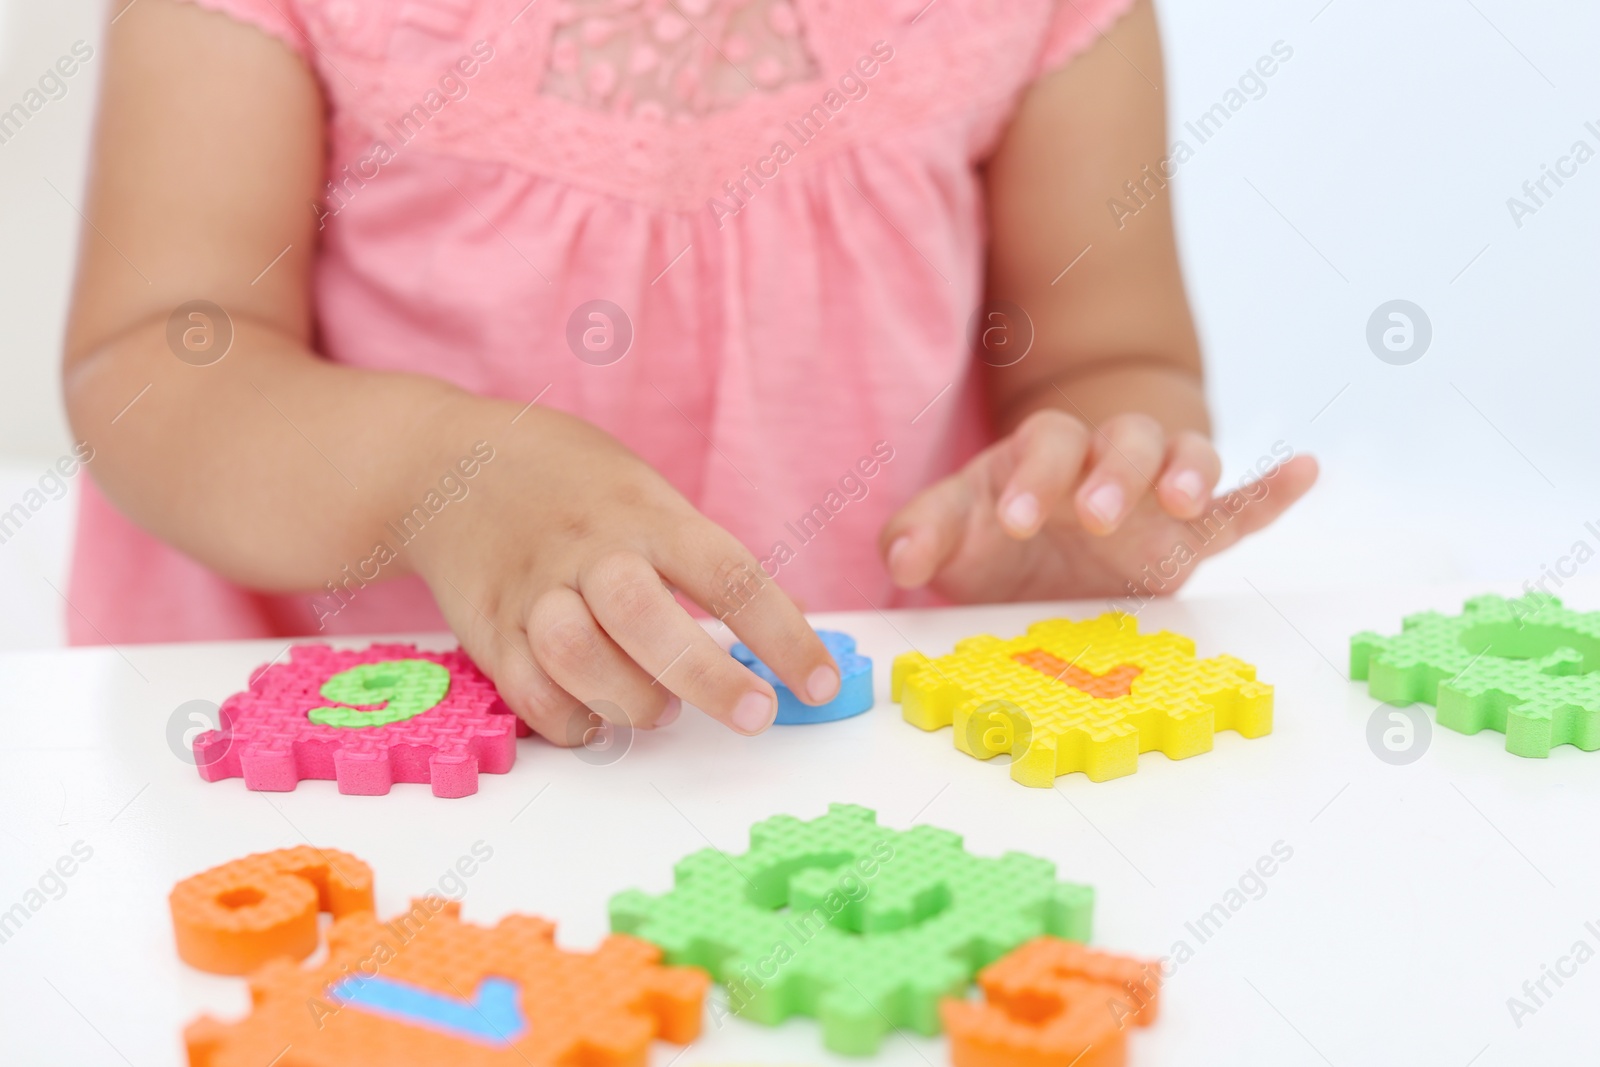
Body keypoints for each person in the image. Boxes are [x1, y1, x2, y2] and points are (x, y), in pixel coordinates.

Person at [61, 0, 1317, 744]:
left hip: (859, 749)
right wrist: (441, 478)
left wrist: (1080, 488)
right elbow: (158, 359)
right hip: (365, 751)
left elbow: (1108, 351)